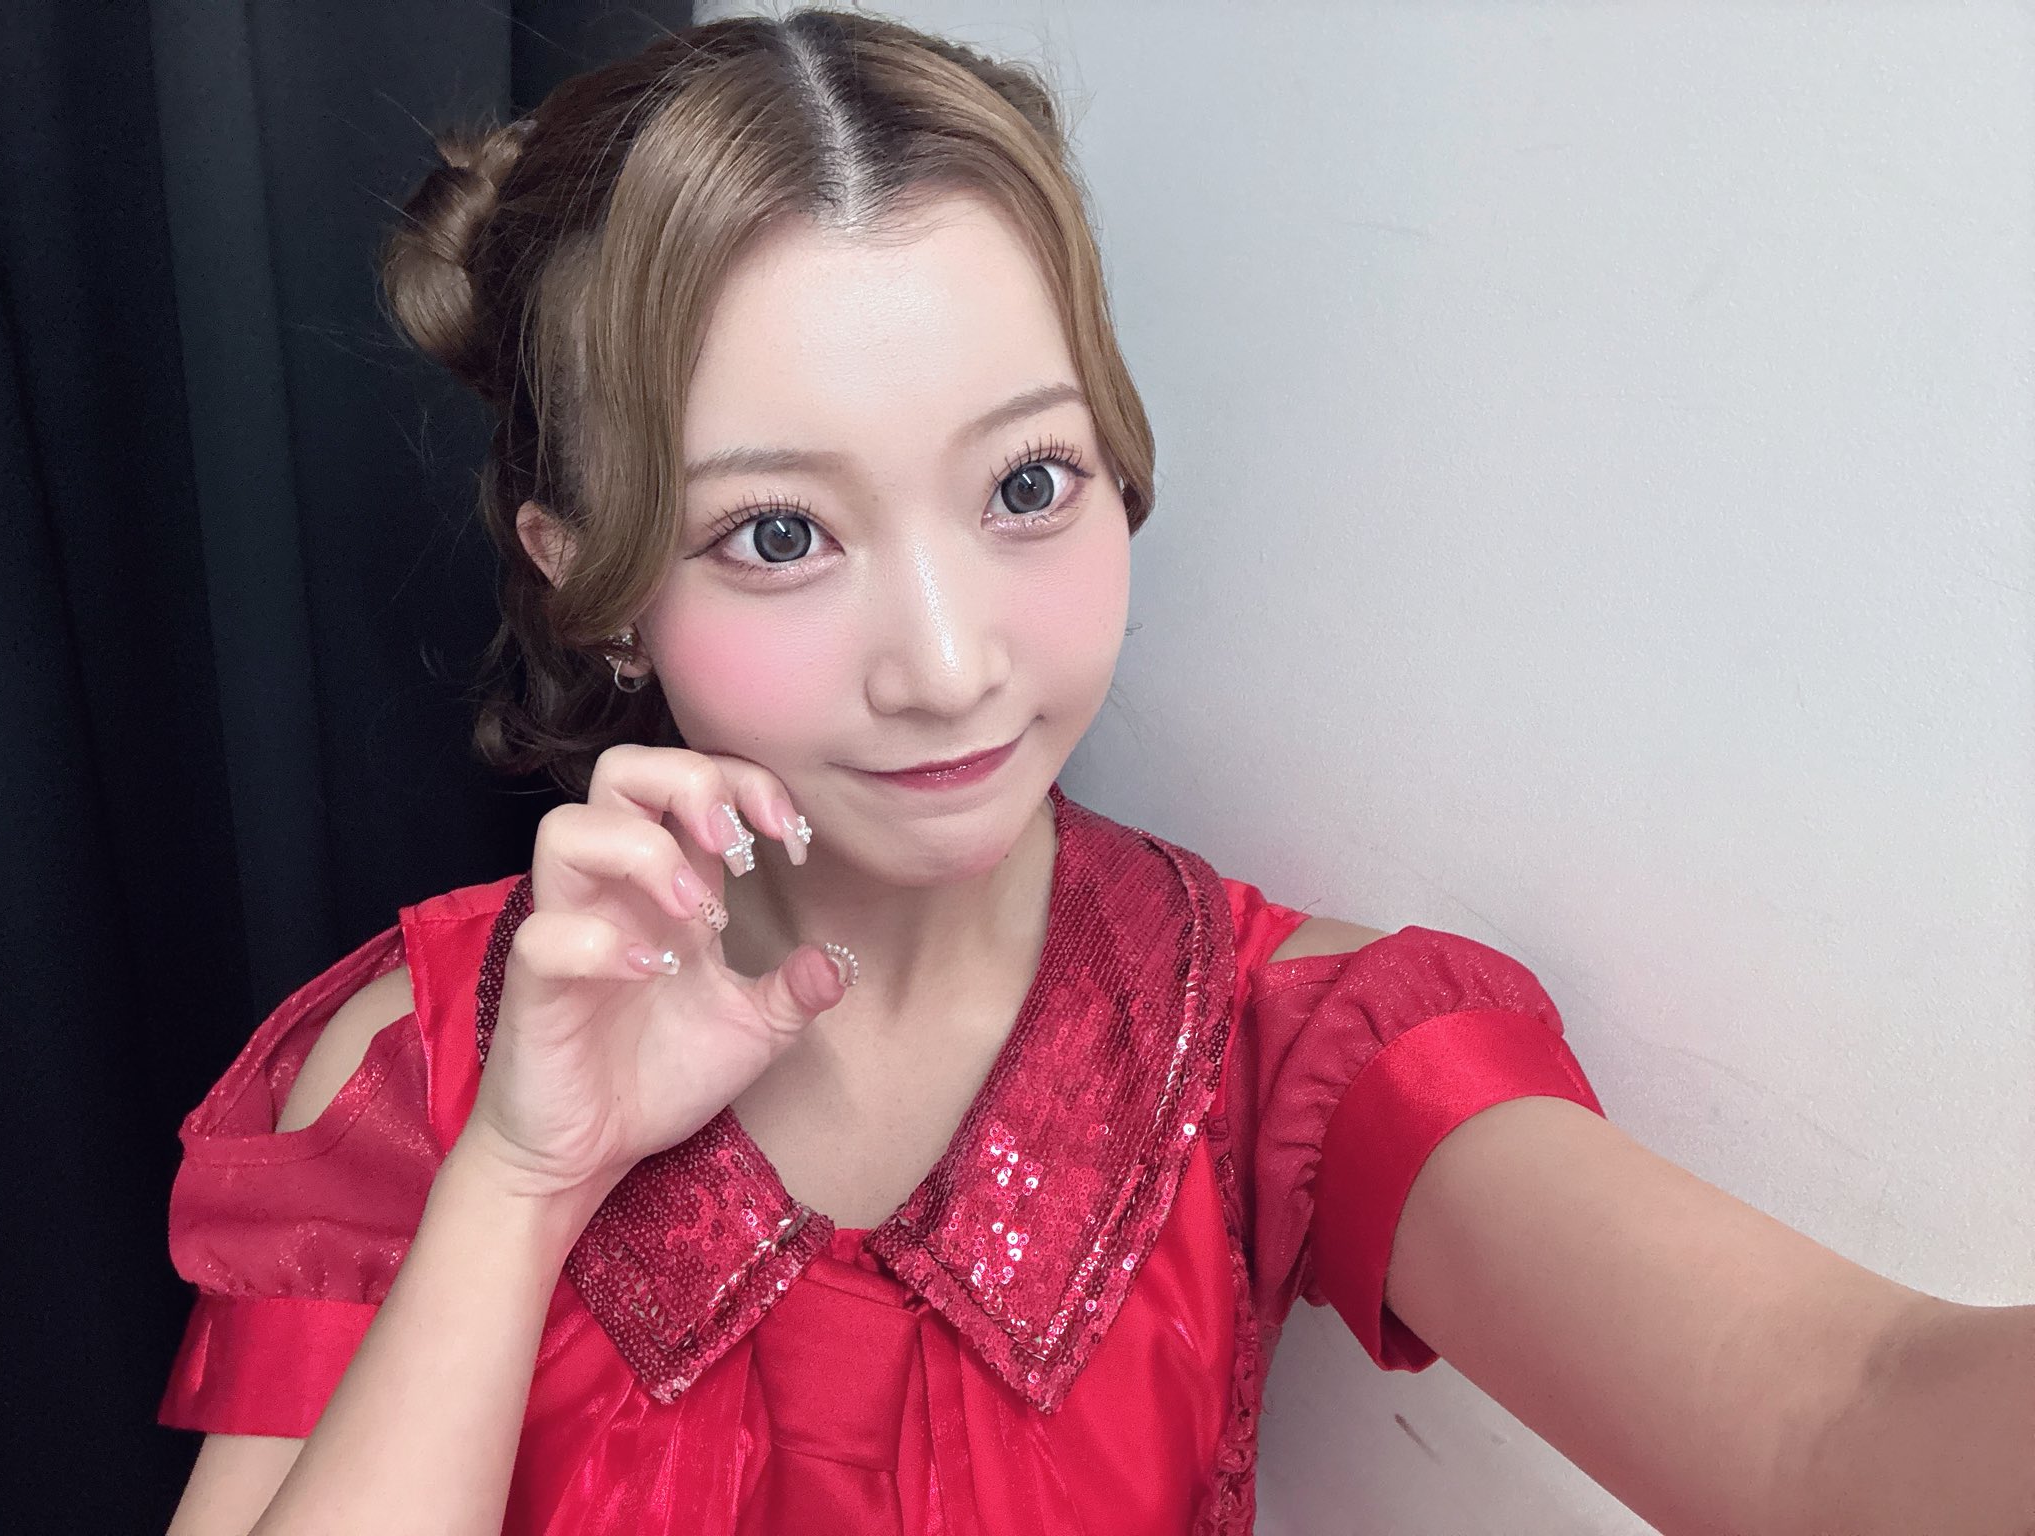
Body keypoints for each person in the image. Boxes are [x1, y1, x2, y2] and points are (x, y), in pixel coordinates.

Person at [157, 10, 2031, 1536]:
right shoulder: (424, 1069)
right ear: (600, 583)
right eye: (781, 534)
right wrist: (518, 1183)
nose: (950, 661)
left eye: (1026, 485)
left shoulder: (1278, 1046)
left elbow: (1842, 1419)